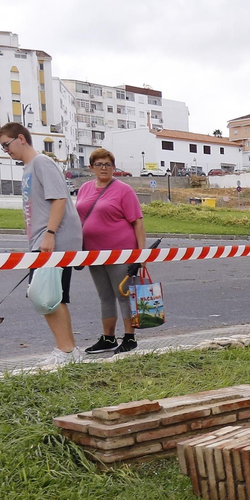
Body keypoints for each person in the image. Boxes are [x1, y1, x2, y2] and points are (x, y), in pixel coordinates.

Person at [0, 123, 82, 366]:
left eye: (6, 144)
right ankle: (70, 351)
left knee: (44, 296)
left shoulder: (41, 163)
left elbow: (58, 199)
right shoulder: (28, 168)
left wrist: (50, 234)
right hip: (44, 238)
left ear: (21, 139)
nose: (5, 150)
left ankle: (65, 350)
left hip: (53, 239)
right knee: (56, 296)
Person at [76, 148, 145, 355]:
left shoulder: (124, 190)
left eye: (108, 164)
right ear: (91, 167)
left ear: (114, 168)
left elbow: (138, 222)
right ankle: (108, 338)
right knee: (105, 296)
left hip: (120, 252)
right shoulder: (85, 188)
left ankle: (129, 337)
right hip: (94, 252)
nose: (103, 168)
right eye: (99, 164)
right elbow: (78, 218)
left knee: (123, 295)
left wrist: (142, 254)